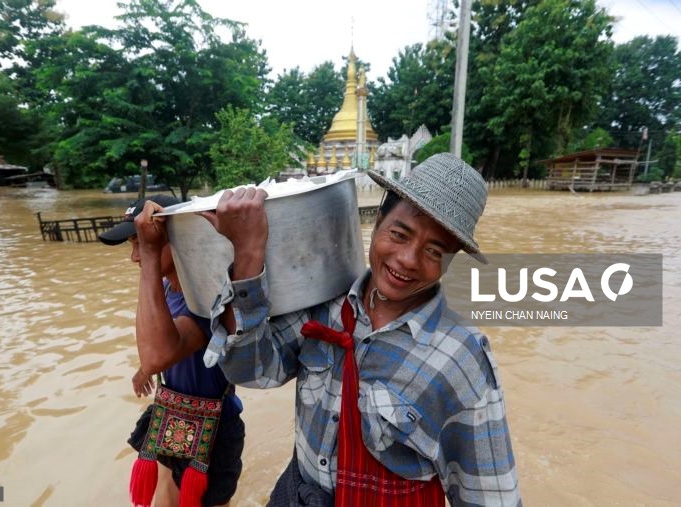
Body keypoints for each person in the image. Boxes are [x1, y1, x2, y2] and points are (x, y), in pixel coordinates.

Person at [199, 153, 521, 506]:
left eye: (434, 251)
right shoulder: (325, 299)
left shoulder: (462, 356)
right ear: (378, 220)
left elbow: (490, 496)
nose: (407, 260)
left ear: (451, 258)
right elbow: (252, 370)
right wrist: (248, 253)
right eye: (399, 234)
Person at [98, 195, 245, 507]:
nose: (135, 257)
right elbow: (158, 349)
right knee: (164, 495)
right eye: (133, 245)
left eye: (141, 244)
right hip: (173, 414)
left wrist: (151, 257)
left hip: (214, 425)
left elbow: (160, 353)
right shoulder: (167, 287)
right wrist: (144, 370)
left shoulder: (208, 297)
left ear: (178, 238)